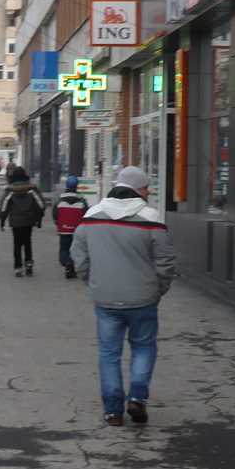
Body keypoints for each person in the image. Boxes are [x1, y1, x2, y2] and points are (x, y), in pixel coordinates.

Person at [71, 166, 176, 428]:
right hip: (143, 298)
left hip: (106, 299)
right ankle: (137, 397)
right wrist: (159, 289)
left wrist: (93, 283)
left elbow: (79, 257)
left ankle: (112, 411)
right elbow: (165, 262)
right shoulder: (151, 219)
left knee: (109, 353)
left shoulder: (91, 216)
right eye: (146, 188)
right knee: (143, 347)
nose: (148, 193)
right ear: (138, 189)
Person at [0, 166, 46, 277]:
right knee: (27, 242)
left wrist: (2, 220)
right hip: (29, 220)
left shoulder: (10, 190)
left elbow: (4, 206)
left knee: (17, 244)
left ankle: (18, 267)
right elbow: (41, 205)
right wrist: (39, 218)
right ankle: (28, 265)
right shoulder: (31, 189)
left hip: (15, 221)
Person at [53, 175, 89, 280]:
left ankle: (67, 263)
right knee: (76, 249)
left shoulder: (60, 201)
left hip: (63, 229)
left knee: (64, 249)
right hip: (77, 230)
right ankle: (72, 266)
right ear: (77, 186)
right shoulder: (82, 201)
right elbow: (86, 214)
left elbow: (55, 214)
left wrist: (57, 223)